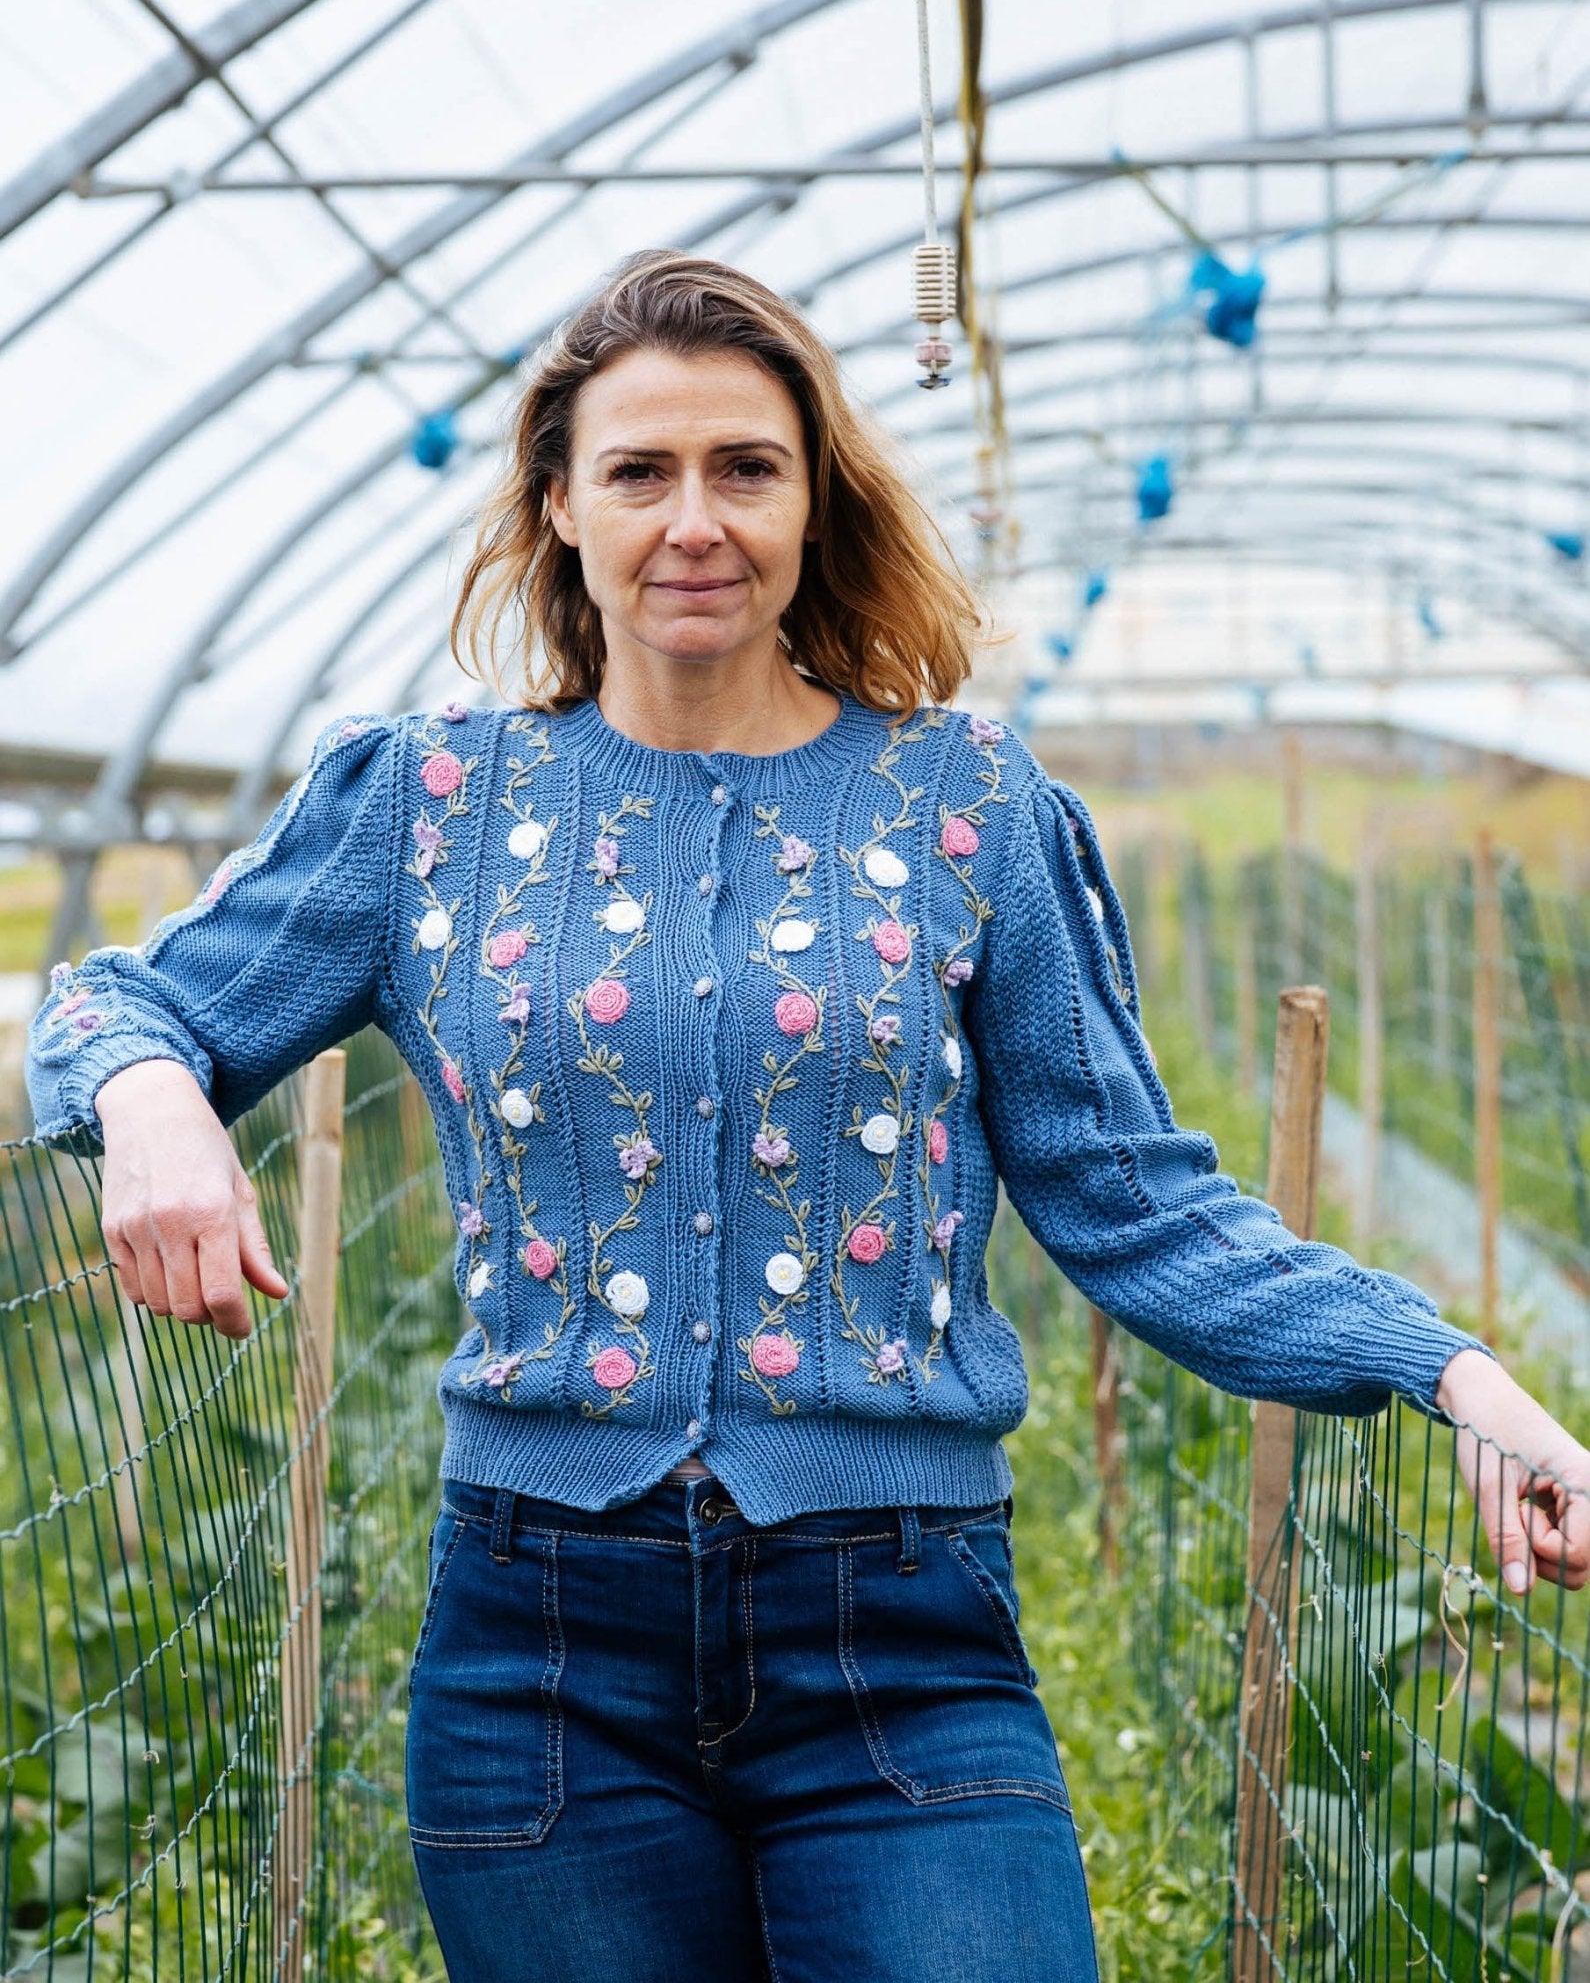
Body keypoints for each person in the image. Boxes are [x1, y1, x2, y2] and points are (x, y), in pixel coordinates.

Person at [26, 248, 1590, 1982]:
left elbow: (1134, 1202)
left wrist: (1452, 1372)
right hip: (537, 1655)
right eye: (639, 471)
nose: (692, 520)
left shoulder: (964, 804)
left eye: (743, 469)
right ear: (558, 507)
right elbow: (116, 1001)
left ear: (812, 502)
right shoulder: (427, 807)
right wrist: (158, 1099)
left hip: (899, 1647)